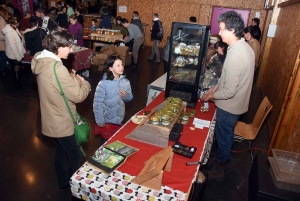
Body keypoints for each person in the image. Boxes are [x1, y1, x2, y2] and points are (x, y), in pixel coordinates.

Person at [31, 28, 91, 191]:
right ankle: (73, 186)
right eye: (69, 46)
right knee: (75, 156)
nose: (71, 50)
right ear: (58, 46)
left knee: (60, 152)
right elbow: (78, 96)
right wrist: (84, 82)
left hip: (50, 118)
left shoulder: (39, 60)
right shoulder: (58, 68)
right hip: (61, 121)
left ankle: (63, 181)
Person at [200, 11, 255, 181]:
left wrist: (209, 97)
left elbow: (230, 91)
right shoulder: (243, 47)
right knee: (226, 135)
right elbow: (229, 79)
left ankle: (219, 169)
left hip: (230, 106)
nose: (220, 32)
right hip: (236, 104)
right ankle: (220, 160)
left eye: (222, 29)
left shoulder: (236, 54)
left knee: (224, 138)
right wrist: (216, 87)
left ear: (232, 31)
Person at [93, 55, 133, 146]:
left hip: (119, 118)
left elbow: (130, 98)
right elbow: (97, 104)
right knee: (105, 143)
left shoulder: (125, 82)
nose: (121, 67)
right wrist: (100, 120)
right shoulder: (103, 83)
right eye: (118, 65)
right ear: (110, 68)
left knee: (117, 141)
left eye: (121, 64)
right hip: (106, 119)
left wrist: (125, 95)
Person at [2, 16, 26, 88]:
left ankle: (18, 81)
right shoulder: (10, 32)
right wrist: (18, 56)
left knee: (17, 69)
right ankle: (17, 83)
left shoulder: (13, 28)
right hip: (13, 54)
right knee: (16, 69)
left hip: (15, 53)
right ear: (17, 23)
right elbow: (13, 46)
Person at [0, 7, 8, 77]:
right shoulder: (1, 19)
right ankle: (2, 70)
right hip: (1, 42)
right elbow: (3, 32)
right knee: (3, 56)